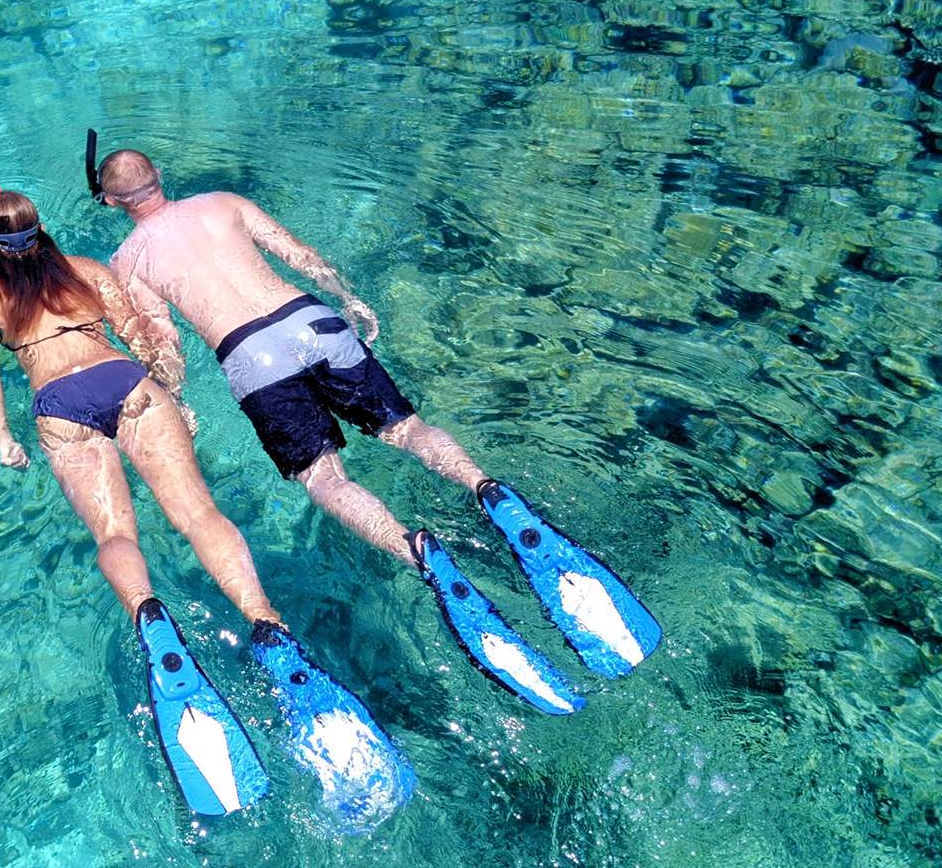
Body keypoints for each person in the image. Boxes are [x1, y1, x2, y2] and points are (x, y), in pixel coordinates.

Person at [91, 142, 660, 710]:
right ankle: (489, 490)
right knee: (407, 428)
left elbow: (162, 345)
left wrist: (173, 397)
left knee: (325, 480)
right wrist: (349, 298)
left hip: (251, 355)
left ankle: (415, 551)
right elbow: (298, 253)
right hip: (312, 319)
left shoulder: (130, 261)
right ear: (159, 176)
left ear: (113, 201)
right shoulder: (222, 202)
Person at [0, 187, 413, 829]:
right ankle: (266, 623)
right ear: (39, 232)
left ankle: (151, 620)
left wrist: (4, 438)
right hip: (126, 382)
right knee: (198, 514)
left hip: (59, 404)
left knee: (116, 533)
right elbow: (141, 331)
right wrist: (171, 392)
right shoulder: (87, 270)